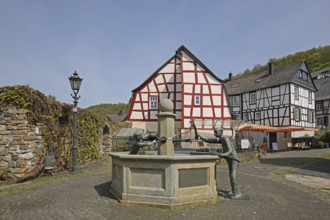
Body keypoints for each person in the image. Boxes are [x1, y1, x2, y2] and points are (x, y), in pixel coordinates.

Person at [197, 127, 243, 199]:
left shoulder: (225, 139)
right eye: (214, 132)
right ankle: (234, 191)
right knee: (231, 176)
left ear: (221, 132)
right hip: (229, 158)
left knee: (233, 176)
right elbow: (209, 141)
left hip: (233, 159)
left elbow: (230, 150)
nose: (215, 133)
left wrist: (221, 155)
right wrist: (200, 137)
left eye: (216, 132)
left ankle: (238, 193)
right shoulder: (221, 139)